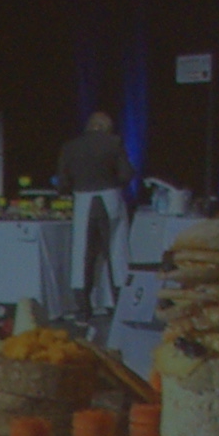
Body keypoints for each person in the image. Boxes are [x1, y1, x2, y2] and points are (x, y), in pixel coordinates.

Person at [55, 109, 132, 315]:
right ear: (106, 127)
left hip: (82, 201)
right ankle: (119, 302)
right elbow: (126, 174)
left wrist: (69, 190)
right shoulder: (114, 143)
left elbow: (62, 182)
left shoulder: (70, 147)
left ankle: (83, 305)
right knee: (116, 250)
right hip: (111, 199)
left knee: (82, 252)